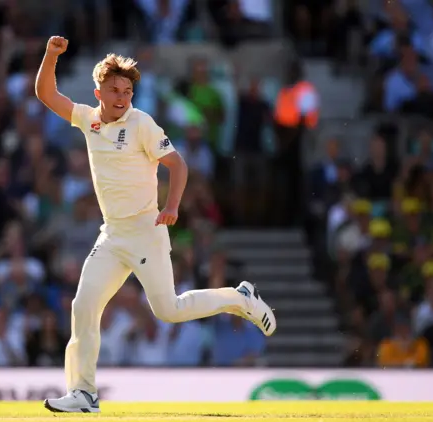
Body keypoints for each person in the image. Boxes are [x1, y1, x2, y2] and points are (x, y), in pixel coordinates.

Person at [35, 36, 277, 414]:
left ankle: (239, 297)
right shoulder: (89, 118)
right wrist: (51, 56)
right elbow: (46, 94)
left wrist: (173, 206)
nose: (121, 97)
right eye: (114, 90)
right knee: (84, 306)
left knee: (169, 311)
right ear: (98, 91)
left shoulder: (142, 123)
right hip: (112, 235)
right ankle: (83, 393)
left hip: (147, 233)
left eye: (128, 91)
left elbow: (178, 164)